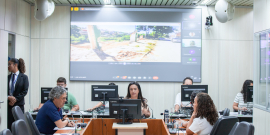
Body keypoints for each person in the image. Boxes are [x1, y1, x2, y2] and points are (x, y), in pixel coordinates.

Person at [7, 58, 29, 130]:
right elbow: (4, 91)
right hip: (9, 106)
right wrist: (8, 97)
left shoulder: (24, 77)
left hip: (19, 105)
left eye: (9, 64)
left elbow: (24, 91)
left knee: (19, 128)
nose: (8, 66)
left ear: (15, 65)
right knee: (10, 127)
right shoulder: (7, 77)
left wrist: (15, 99)